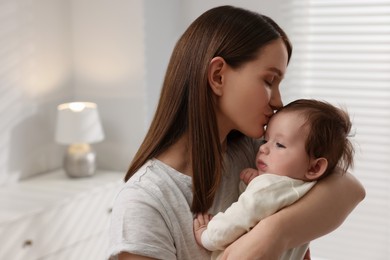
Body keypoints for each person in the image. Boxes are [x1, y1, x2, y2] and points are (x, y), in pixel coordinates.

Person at [107, 5, 365, 260]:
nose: (278, 102)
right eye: (268, 81)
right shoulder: (146, 202)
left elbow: (350, 188)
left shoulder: (258, 153)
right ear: (218, 76)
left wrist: (273, 234)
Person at [193, 99, 355, 260]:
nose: (263, 148)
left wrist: (208, 236)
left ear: (314, 168)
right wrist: (255, 181)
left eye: (279, 145)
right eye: (265, 140)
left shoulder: (267, 187)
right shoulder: (312, 192)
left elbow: (240, 216)